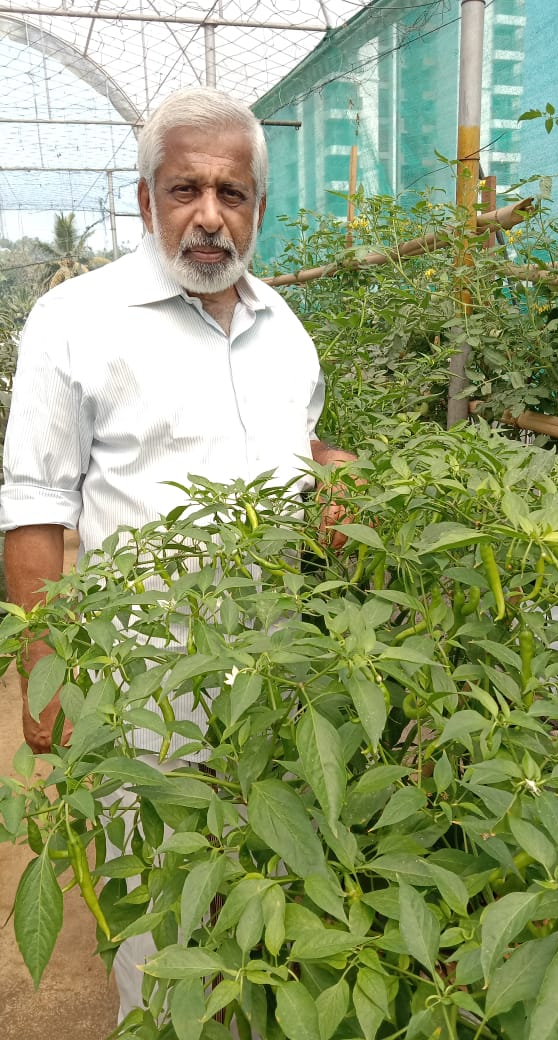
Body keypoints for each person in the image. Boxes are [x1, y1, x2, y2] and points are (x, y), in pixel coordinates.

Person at [0, 86, 356, 1019]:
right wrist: (46, 672)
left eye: (231, 193)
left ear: (259, 207)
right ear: (145, 196)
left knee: (269, 885)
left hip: (278, 670)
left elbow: (293, 443)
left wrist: (334, 469)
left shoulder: (286, 328)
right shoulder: (77, 320)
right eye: (184, 188)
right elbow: (37, 503)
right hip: (145, 677)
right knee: (160, 912)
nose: (208, 216)